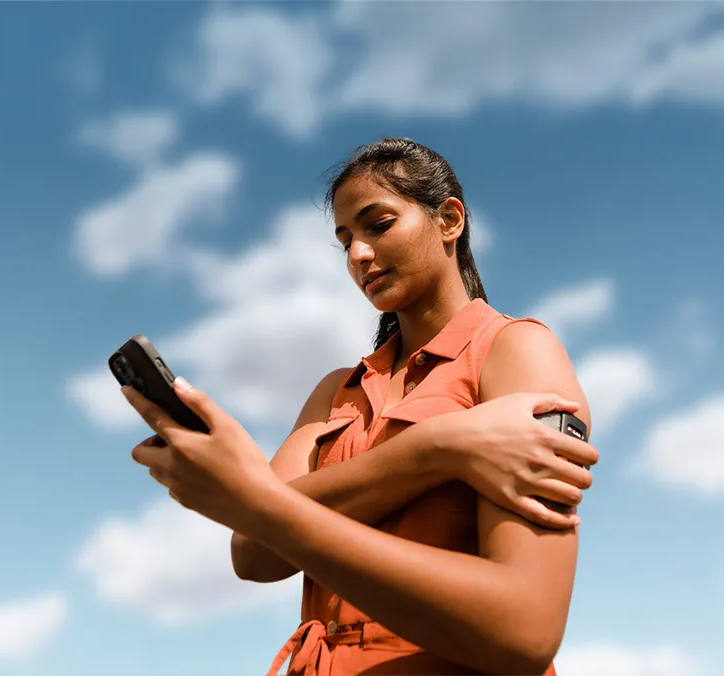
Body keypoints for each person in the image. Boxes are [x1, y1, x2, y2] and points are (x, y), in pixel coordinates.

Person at [123, 138, 599, 675]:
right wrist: (435, 451)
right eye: (345, 239)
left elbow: (526, 629)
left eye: (379, 224)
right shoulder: (336, 390)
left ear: (449, 220)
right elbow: (253, 552)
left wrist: (262, 501)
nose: (358, 255)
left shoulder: (517, 351)